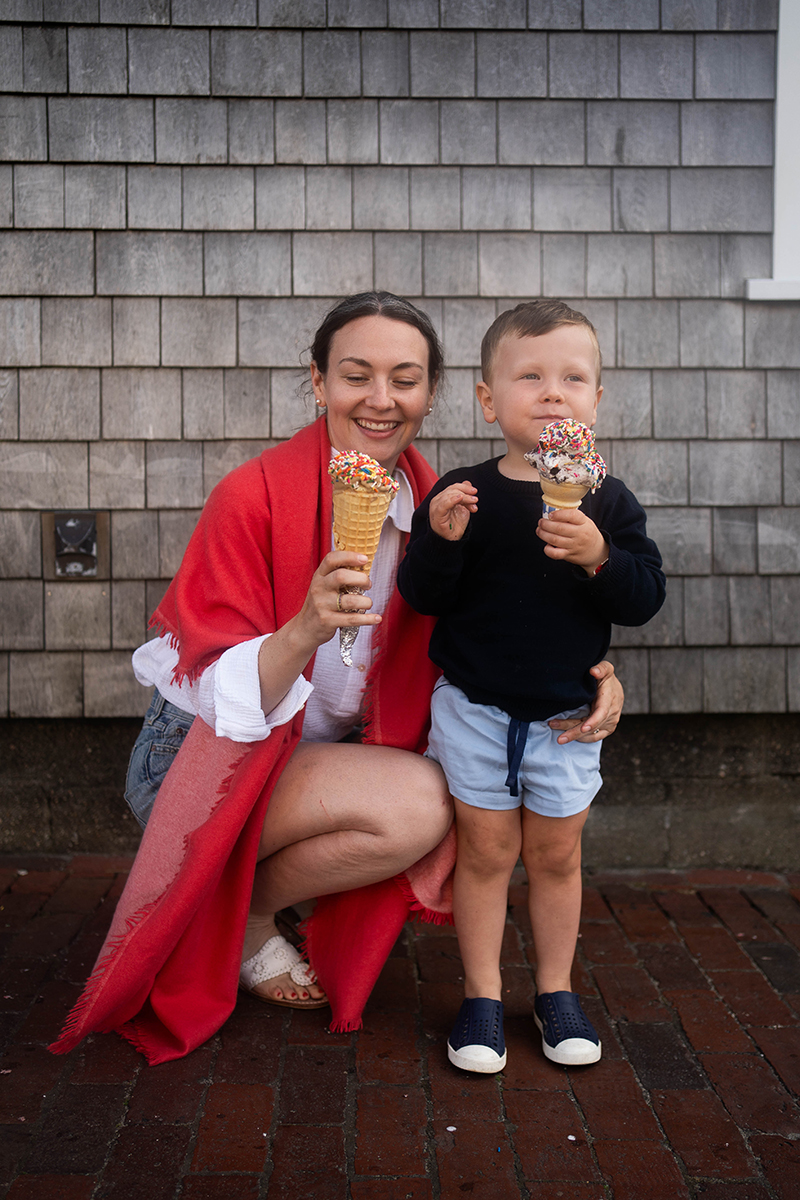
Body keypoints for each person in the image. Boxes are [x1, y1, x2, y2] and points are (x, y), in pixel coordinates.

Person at [51, 293, 625, 1066]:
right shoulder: (251, 495)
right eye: (356, 376)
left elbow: (506, 618)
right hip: (199, 758)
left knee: (425, 807)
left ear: (433, 394)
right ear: (318, 383)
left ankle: (246, 908)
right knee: (426, 799)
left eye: (406, 379)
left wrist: (591, 673)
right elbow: (216, 693)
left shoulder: (443, 510)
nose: (381, 400)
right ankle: (240, 922)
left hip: (322, 763)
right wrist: (301, 631)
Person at [398, 300, 665, 1074]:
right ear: (489, 400)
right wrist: (440, 540)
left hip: (565, 718)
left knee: (555, 856)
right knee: (485, 853)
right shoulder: (465, 493)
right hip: (476, 708)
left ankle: (555, 992)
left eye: (573, 378)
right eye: (531, 376)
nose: (554, 392)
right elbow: (424, 597)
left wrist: (598, 557)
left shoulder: (607, 501)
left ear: (596, 401)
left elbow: (643, 599)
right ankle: (481, 996)